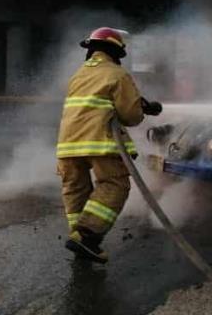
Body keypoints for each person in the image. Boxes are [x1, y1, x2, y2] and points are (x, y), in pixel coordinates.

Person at [56, 27, 163, 264]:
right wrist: (143, 109)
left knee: (75, 189)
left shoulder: (78, 74)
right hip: (100, 141)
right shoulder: (117, 74)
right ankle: (88, 237)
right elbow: (130, 116)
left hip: (67, 145)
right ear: (116, 50)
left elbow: (95, 104)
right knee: (115, 184)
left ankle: (79, 236)